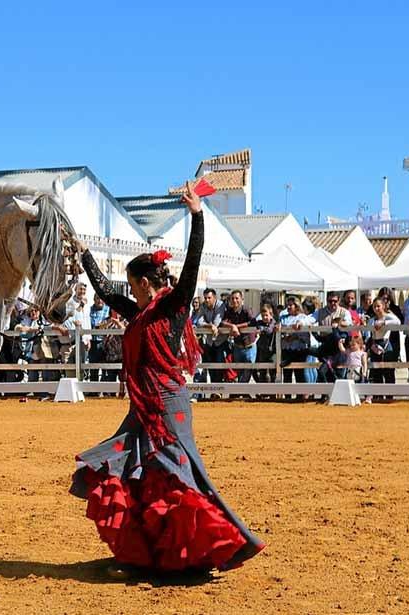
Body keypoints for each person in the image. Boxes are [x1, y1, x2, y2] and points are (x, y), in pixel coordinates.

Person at [69, 184, 263, 578]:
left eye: (132, 285)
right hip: (145, 406)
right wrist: (85, 253)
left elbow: (192, 263)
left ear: (144, 283)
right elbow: (107, 293)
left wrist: (197, 215)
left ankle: (196, 554)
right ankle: (144, 556)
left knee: (175, 477)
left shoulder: (172, 306)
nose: (129, 293)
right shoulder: (142, 312)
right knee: (135, 473)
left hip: (169, 406)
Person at [279, 296, 316, 397]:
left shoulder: (303, 318)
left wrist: (294, 336)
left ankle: (300, 397)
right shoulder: (283, 318)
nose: (288, 307)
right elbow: (279, 330)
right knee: (287, 374)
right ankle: (287, 396)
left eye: (291, 305)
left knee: (300, 373)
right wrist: (284, 336)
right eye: (287, 305)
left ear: (296, 306)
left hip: (299, 349)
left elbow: (305, 334)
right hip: (286, 349)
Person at [366, 297, 401, 401]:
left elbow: (398, 322)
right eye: (374, 307)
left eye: (378, 306)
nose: (376, 308)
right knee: (376, 371)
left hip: (386, 344)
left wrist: (384, 323)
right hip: (374, 344)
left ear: (383, 306)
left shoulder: (388, 316)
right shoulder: (372, 320)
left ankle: (389, 396)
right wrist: (371, 344)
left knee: (388, 371)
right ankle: (379, 396)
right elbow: (369, 333)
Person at [194, 288, 228, 386]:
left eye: (209, 298)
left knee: (219, 367)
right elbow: (199, 322)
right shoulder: (203, 306)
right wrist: (210, 326)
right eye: (205, 298)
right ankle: (214, 390)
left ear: (214, 297)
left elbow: (217, 322)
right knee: (211, 367)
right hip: (209, 342)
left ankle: (219, 389)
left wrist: (210, 325)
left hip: (220, 341)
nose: (207, 300)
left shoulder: (220, 305)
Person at [222, 290, 257, 384]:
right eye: (232, 298)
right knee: (240, 371)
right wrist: (232, 326)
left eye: (237, 298)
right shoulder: (229, 311)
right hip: (238, 346)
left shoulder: (246, 310)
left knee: (248, 372)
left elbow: (253, 322)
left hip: (249, 346)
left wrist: (237, 326)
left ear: (242, 299)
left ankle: (243, 390)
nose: (234, 300)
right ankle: (242, 391)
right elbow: (223, 322)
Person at [252, 303, 278, 385]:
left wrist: (261, 329)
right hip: (262, 349)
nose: (264, 317)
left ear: (271, 315)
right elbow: (253, 323)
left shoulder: (273, 322)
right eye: (263, 316)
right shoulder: (260, 323)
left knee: (273, 371)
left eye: (266, 315)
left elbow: (269, 330)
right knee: (261, 370)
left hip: (272, 350)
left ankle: (272, 389)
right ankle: (262, 389)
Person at [88, 295, 110, 381]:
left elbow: (110, 321)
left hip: (105, 343)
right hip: (93, 343)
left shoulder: (108, 309)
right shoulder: (90, 310)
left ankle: (104, 387)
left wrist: (101, 325)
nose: (100, 300)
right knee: (93, 369)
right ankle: (93, 388)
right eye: (97, 298)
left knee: (105, 370)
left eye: (101, 298)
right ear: (94, 299)